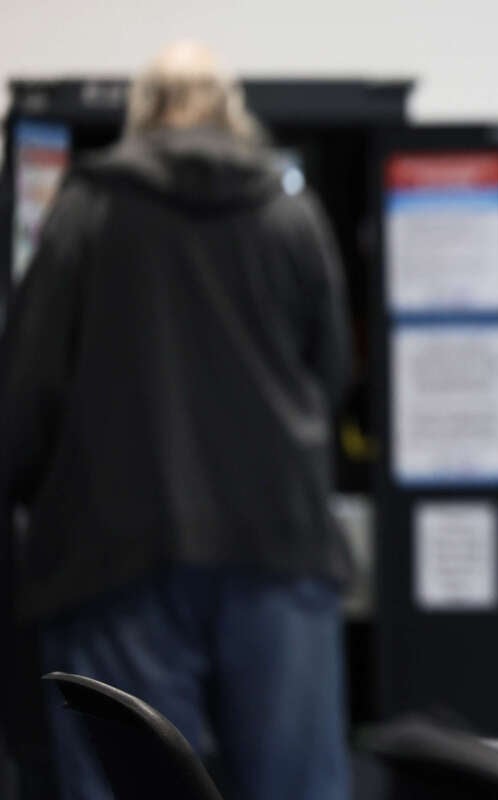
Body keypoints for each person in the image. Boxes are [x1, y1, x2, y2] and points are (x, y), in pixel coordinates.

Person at [0, 42, 352, 800]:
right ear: (232, 113)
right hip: (278, 549)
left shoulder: (85, 210)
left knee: (136, 788)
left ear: (141, 115)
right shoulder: (292, 212)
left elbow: (25, 393)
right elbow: (332, 375)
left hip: (113, 554)